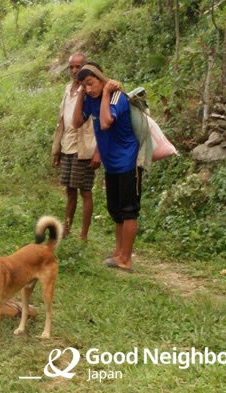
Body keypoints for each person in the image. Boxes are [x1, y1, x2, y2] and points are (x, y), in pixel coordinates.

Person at [73, 63, 140, 273]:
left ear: (102, 80)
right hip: (112, 164)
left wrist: (106, 93)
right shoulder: (90, 99)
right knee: (116, 210)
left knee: (129, 211)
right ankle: (118, 254)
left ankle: (126, 260)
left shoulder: (117, 98)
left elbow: (105, 122)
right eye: (84, 85)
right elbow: (76, 122)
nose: (89, 89)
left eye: (91, 83)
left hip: (128, 161)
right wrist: (80, 95)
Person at [52, 53, 100, 241]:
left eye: (78, 67)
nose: (74, 71)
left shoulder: (91, 91)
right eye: (71, 67)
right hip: (67, 146)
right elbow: (61, 121)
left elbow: (99, 124)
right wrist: (57, 149)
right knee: (69, 190)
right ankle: (67, 228)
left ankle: (83, 235)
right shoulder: (67, 89)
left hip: (85, 147)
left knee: (85, 190)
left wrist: (98, 152)